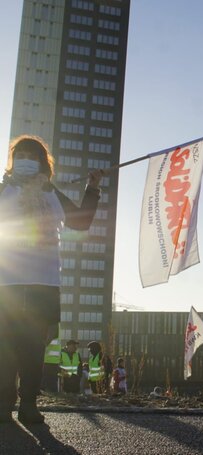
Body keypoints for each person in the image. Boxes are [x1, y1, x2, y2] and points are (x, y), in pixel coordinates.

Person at [0, 135, 101, 424]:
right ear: (12, 162)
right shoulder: (2, 191)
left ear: (42, 163)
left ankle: (29, 404)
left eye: (33, 157)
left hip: (43, 284)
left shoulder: (51, 193)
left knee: (34, 348)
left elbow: (81, 221)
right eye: (20, 155)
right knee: (4, 348)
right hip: (6, 284)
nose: (26, 161)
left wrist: (91, 189)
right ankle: (3, 405)